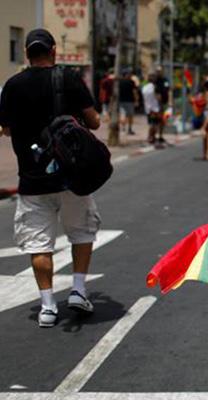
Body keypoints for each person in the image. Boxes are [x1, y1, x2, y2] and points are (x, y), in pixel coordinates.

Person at [0, 29, 101, 328]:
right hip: (72, 177)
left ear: (27, 54)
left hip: (32, 180)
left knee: (39, 246)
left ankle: (47, 307)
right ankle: (79, 290)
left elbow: (5, 129)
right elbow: (94, 120)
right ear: (53, 51)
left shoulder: (13, 85)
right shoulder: (68, 78)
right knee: (82, 232)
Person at [142, 73, 162, 148]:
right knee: (155, 124)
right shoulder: (154, 87)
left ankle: (150, 138)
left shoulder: (144, 87)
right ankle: (151, 138)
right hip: (155, 108)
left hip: (147, 108)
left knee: (151, 123)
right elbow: (158, 98)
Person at [118, 69, 138, 135]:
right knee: (130, 116)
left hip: (121, 101)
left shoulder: (119, 82)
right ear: (126, 74)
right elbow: (134, 92)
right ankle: (129, 129)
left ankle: (123, 129)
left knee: (122, 115)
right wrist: (136, 100)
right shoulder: (131, 82)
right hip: (130, 101)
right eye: (129, 74)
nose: (130, 75)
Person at [155, 66, 170, 144]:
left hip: (164, 102)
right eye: (157, 71)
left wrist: (170, 102)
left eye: (160, 71)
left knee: (162, 120)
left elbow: (168, 90)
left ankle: (160, 135)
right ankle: (154, 136)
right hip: (156, 104)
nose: (159, 72)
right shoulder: (155, 81)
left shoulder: (165, 80)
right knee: (156, 120)